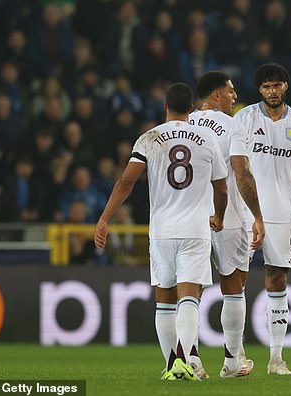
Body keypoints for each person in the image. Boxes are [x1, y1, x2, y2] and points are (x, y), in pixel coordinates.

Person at [94, 82, 228, 382]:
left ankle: (171, 365)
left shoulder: (149, 138)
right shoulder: (207, 139)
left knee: (164, 301)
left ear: (165, 106)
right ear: (192, 109)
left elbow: (126, 182)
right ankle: (186, 361)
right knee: (190, 298)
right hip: (195, 229)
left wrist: (104, 218)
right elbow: (221, 188)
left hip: (162, 230)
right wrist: (218, 216)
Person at [234, 63, 291, 375]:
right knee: (236, 281)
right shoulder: (243, 119)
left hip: (284, 215)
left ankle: (276, 359)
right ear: (259, 89)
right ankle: (237, 355)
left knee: (278, 280)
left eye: (277, 85)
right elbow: (238, 169)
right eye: (267, 86)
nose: (272, 90)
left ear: (286, 86)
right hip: (245, 214)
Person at [190, 71, 265, 378]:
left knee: (188, 291)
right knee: (233, 288)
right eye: (231, 92)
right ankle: (232, 362)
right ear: (216, 95)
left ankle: (190, 361)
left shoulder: (184, 124)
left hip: (190, 217)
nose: (235, 96)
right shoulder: (232, 125)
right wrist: (258, 215)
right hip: (228, 216)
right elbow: (241, 173)